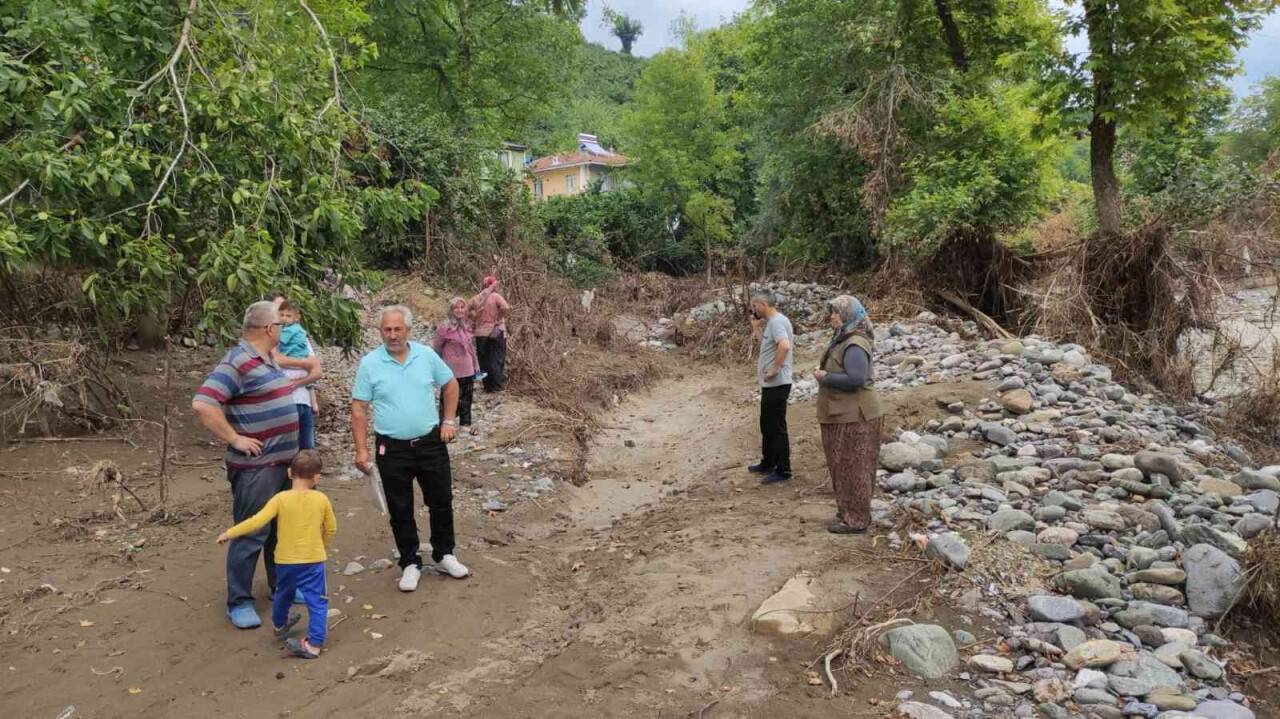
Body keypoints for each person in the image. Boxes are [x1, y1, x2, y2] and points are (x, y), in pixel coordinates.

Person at [192, 301, 299, 629]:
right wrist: (235, 438)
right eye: (280, 325)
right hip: (257, 467)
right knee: (252, 530)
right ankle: (238, 601)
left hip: (282, 462)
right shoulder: (237, 360)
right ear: (269, 329)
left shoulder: (265, 358)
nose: (282, 329)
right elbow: (203, 402)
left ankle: (280, 586)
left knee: (279, 530)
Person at [351, 305, 470, 592]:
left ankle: (444, 554)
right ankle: (410, 562)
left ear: (408, 330)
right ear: (380, 331)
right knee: (400, 506)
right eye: (387, 330)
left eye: (397, 329)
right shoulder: (370, 363)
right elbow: (359, 408)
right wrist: (361, 451)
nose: (392, 335)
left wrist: (449, 420)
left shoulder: (426, 355)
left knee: (440, 500)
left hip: (430, 441)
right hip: (391, 448)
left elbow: (451, 385)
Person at [217, 449, 336, 659]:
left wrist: (230, 532)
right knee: (317, 602)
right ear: (317, 477)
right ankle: (314, 644)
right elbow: (331, 529)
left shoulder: (280, 499)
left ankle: (279, 624)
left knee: (283, 593)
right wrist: (322, 546)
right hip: (313, 560)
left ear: (289, 473)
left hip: (285, 561)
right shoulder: (321, 499)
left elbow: (257, 520)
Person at [814, 295, 884, 534]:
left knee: (855, 467)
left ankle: (856, 519)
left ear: (847, 315)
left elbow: (856, 379)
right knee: (842, 465)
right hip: (841, 414)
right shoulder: (842, 337)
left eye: (835, 312)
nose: (831, 316)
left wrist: (826, 377)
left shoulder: (855, 342)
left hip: (856, 416)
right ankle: (848, 510)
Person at [748, 289, 794, 485]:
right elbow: (767, 346)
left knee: (776, 427)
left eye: (754, 306)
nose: (753, 310)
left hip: (778, 383)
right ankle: (768, 462)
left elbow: (784, 346)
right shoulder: (771, 324)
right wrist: (756, 328)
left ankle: (783, 470)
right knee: (766, 424)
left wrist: (775, 368)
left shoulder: (777, 322)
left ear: (762, 305)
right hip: (771, 384)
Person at [273, 299, 323, 450]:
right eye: (280, 313)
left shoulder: (293, 335)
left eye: (287, 315)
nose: (282, 318)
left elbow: (316, 370)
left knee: (307, 449)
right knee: (286, 449)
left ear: (296, 317)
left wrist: (311, 399)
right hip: (281, 401)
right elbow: (275, 359)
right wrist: (305, 363)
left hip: (302, 401)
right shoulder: (273, 335)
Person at [433, 297, 480, 432]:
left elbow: (472, 347)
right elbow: (437, 348)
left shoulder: (467, 325)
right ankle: (446, 423)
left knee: (467, 396)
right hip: (451, 369)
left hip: (468, 367)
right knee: (448, 396)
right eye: (456, 307)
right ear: (451, 310)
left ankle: (465, 424)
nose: (459, 310)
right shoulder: (444, 327)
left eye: (462, 307)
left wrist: (476, 365)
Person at [469, 275, 510, 393]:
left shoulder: (476, 298)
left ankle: (487, 387)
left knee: (484, 360)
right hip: (496, 331)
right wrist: (498, 318)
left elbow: (466, 310)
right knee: (497, 358)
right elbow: (506, 307)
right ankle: (497, 387)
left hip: (480, 333)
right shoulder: (496, 296)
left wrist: (474, 317)